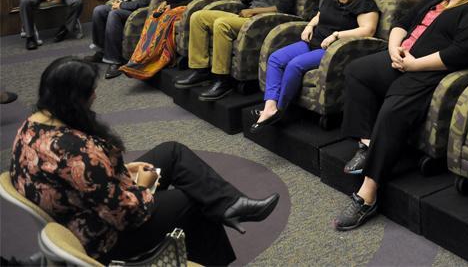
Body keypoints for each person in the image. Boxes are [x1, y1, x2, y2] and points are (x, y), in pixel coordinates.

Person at [10, 57, 279, 266]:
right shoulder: (75, 152)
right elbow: (127, 215)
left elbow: (85, 183)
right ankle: (217, 247)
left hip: (86, 203)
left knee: (171, 152)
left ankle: (230, 203)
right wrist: (141, 187)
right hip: (100, 234)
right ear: (73, 99)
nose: (94, 96)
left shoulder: (32, 126)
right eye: (89, 92)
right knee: (191, 201)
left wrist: (124, 176)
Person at [334, 0, 468, 231]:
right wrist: (394, 49)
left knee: (392, 110)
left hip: (431, 71)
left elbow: (460, 53)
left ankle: (367, 194)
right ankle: (367, 144)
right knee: (358, 71)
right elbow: (403, 21)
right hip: (403, 57)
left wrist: (414, 65)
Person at [250, 0, 380, 132]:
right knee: (275, 58)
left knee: (294, 65)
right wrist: (309, 26)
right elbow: (320, 15)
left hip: (332, 50)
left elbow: (368, 30)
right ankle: (270, 106)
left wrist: (336, 35)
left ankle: (280, 109)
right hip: (313, 42)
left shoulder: (364, 3)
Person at [174, 0, 298, 101]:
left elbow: (284, 7)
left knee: (222, 24)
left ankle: (222, 80)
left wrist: (254, 12)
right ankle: (200, 70)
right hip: (246, 16)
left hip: (263, 21)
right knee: (198, 17)